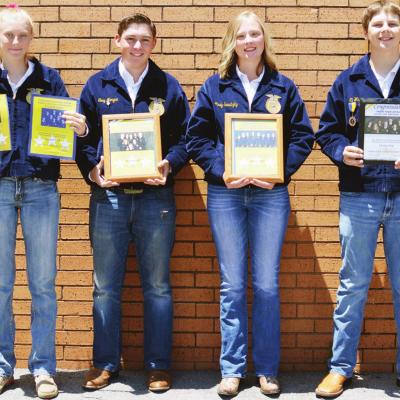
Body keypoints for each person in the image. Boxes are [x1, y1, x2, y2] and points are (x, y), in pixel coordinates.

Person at [186, 11, 314, 396]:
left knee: (267, 284)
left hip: (270, 195)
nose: (249, 41)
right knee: (232, 284)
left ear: (264, 40)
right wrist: (221, 170)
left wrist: (279, 172)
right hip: (225, 193)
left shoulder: (283, 87)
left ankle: (268, 370)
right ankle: (232, 370)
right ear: (232, 42)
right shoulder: (215, 87)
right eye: (241, 35)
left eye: (255, 34)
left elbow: (303, 138)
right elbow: (198, 140)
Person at [75, 13, 190, 393]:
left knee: (157, 286)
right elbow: (83, 140)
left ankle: (158, 366)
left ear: (153, 43)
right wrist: (93, 170)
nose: (137, 46)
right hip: (108, 198)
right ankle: (106, 364)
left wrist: (169, 164)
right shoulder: (96, 85)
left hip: (156, 197)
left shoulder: (168, 86)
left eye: (144, 40)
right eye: (130, 39)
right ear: (117, 40)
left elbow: (185, 140)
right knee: (105, 287)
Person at [0, 4, 86, 399]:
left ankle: (42, 368)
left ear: (31, 38)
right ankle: (3, 366)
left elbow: (68, 129)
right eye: (8, 35)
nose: (15, 42)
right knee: (0, 285)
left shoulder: (49, 79)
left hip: (39, 189)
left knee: (43, 284)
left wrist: (79, 127)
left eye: (22, 35)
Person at [315, 1, 400, 397]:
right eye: (378, 24)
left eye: (392, 23)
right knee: (352, 286)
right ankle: (340, 368)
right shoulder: (347, 80)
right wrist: (340, 152)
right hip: (359, 196)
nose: (385, 30)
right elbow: (327, 132)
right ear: (365, 32)